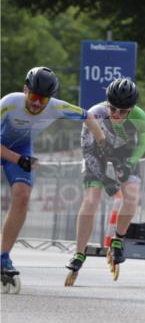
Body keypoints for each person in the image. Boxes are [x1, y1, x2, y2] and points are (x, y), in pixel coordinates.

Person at [1, 67, 105, 290]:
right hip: (8, 150)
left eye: (43, 100)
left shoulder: (56, 108)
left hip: (20, 148)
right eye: (34, 97)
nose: (37, 104)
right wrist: (18, 159)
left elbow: (87, 116)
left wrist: (102, 143)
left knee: (22, 196)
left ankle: (3, 258)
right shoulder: (10, 103)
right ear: (25, 90)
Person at [65, 78, 145, 285]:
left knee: (132, 198)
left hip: (124, 154)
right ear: (107, 103)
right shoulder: (96, 114)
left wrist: (129, 163)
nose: (117, 115)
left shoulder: (141, 117)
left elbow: (142, 146)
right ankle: (79, 253)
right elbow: (88, 152)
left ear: (132, 109)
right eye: (113, 109)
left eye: (123, 111)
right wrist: (105, 179)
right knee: (91, 199)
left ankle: (117, 240)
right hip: (97, 152)